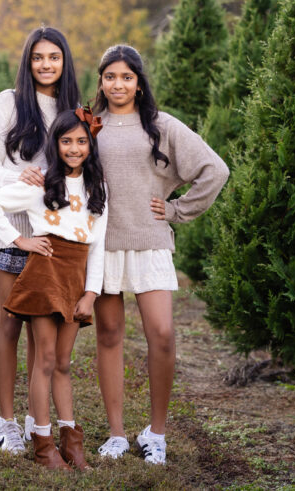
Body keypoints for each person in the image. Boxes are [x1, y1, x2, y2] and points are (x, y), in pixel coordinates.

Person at [91, 44, 229, 465]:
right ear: (101, 81)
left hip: (150, 241)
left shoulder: (161, 125)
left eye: (126, 77)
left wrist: (176, 210)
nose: (118, 84)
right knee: (110, 336)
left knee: (162, 335)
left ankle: (156, 432)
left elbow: (214, 169)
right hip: (102, 244)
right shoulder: (89, 123)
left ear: (138, 82)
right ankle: (116, 433)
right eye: (110, 76)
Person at [0, 109, 107, 470]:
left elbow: (98, 245)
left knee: (63, 362)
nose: (74, 148)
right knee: (45, 359)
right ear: (56, 145)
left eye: (82, 142)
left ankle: (71, 442)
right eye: (66, 141)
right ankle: (44, 445)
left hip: (75, 281)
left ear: (91, 146)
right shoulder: (42, 185)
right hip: (45, 276)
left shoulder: (99, 189)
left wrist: (91, 293)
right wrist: (22, 240)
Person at [0, 26, 81, 455]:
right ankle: (7, 422)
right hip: (9, 227)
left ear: (64, 61)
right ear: (28, 61)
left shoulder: (76, 108)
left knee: (45, 332)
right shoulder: (9, 103)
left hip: (52, 234)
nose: (46, 64)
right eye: (38, 57)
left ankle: (41, 423)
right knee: (10, 322)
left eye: (54, 56)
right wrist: (20, 175)